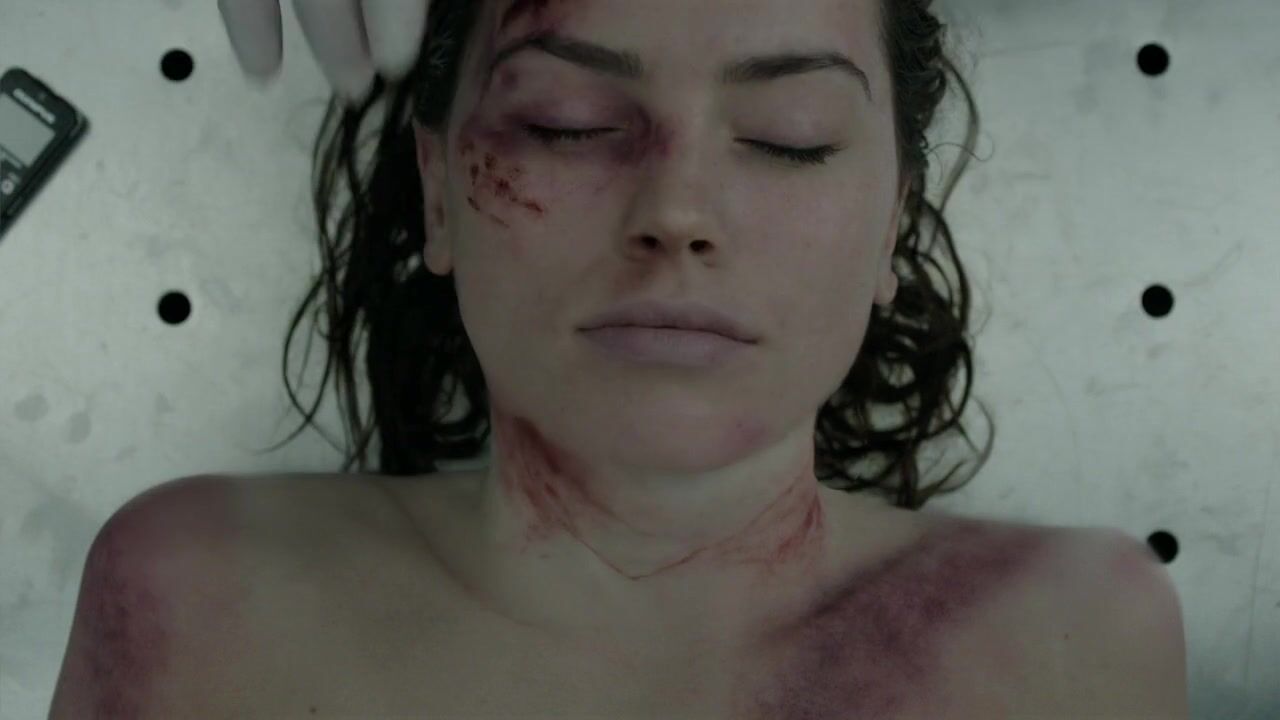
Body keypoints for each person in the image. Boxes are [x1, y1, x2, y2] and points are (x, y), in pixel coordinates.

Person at [48, 1, 1189, 718]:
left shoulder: (1070, 634)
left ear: (894, 220)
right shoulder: (197, 596)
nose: (676, 211)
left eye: (788, 138)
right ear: (439, 193)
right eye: (565, 123)